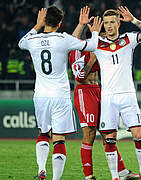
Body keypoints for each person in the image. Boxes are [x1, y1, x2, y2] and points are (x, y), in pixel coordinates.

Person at [18, 6, 102, 180]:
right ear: (60, 23)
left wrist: (36, 26)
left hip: (40, 95)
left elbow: (21, 43)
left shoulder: (32, 40)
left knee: (43, 132)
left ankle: (42, 170)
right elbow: (92, 45)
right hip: (60, 96)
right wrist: (93, 32)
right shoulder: (63, 39)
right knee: (59, 138)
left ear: (44, 21)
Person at [70, 6, 139, 180]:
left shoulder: (101, 47)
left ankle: (122, 172)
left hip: (101, 91)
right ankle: (89, 176)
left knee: (107, 133)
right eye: (97, 35)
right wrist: (81, 25)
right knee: (90, 133)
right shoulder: (80, 50)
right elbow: (80, 77)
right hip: (84, 93)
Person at [91, 6, 141, 180]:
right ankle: (115, 177)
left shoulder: (128, 39)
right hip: (108, 97)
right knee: (110, 139)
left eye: (112, 22)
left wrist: (133, 20)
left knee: (138, 135)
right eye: (106, 23)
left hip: (127, 94)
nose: (109, 26)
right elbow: (75, 42)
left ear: (119, 22)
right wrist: (93, 33)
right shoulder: (96, 44)